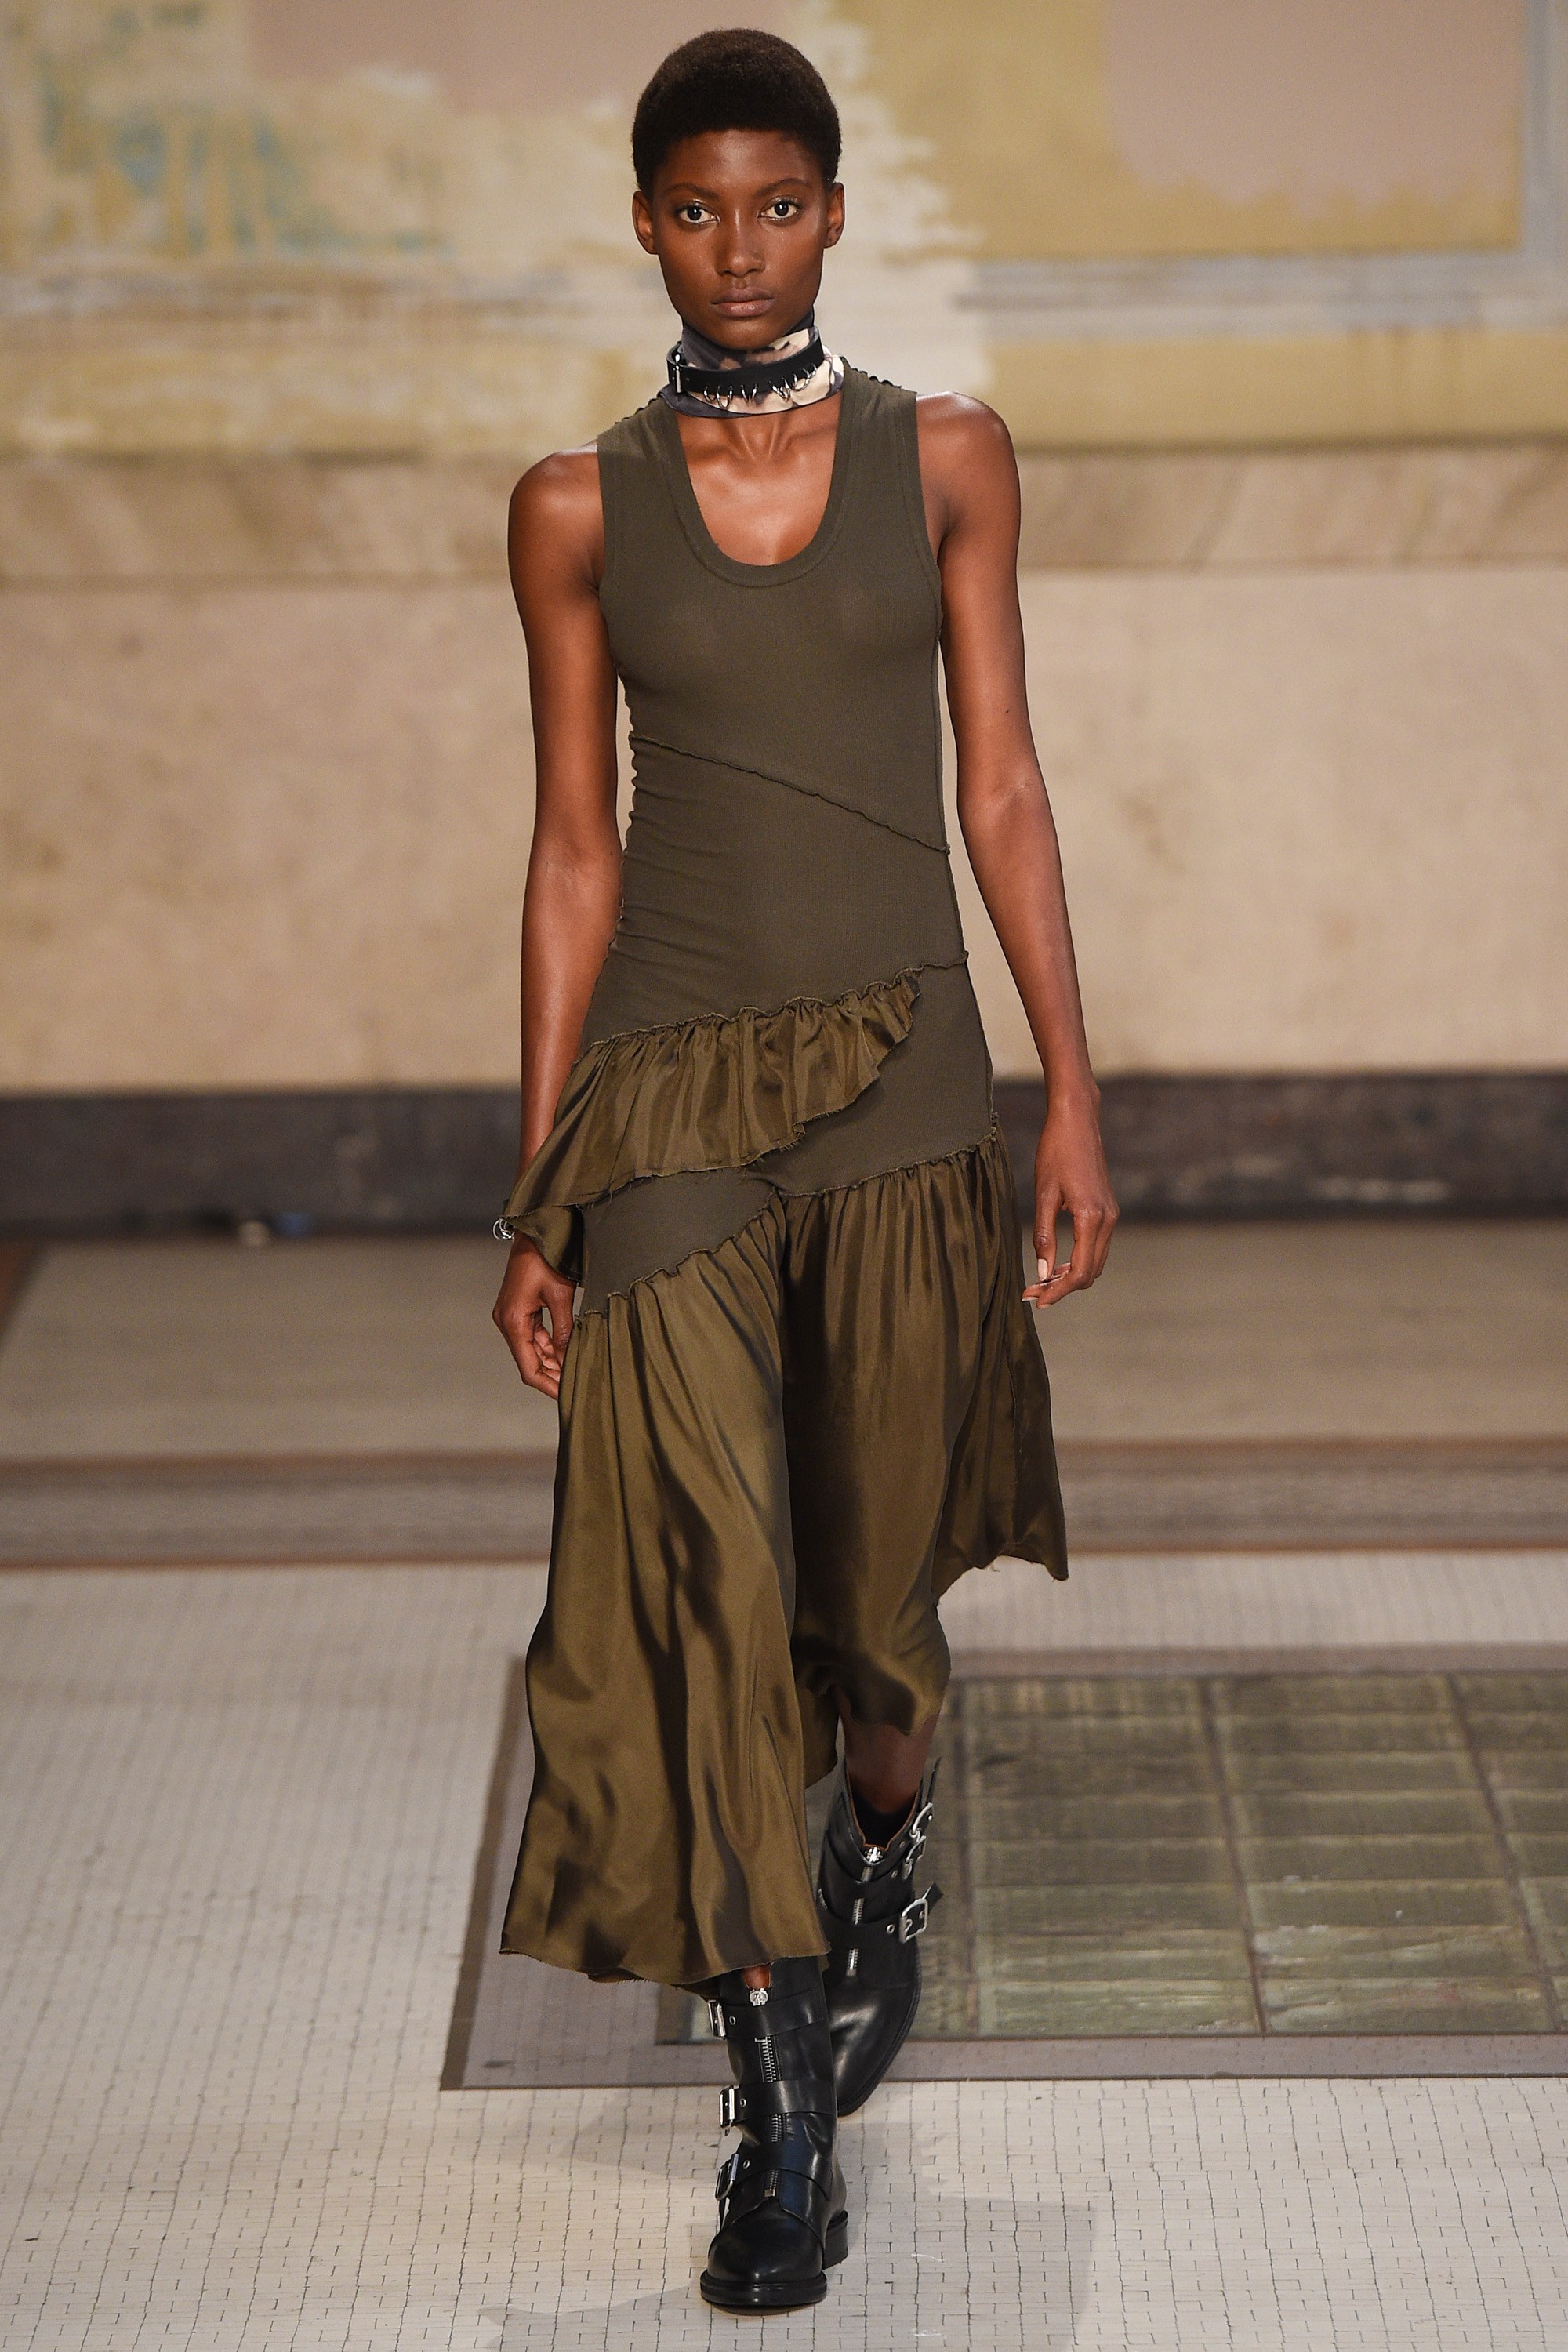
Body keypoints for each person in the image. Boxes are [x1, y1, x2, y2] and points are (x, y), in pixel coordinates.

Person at [492, 28, 1116, 2314]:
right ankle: (775, 2111)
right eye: (696, 210)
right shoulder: (576, 508)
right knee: (705, 1582)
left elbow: (1004, 788)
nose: (739, 249)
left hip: (902, 1085)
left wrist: (1071, 1090)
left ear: (835, 211)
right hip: (668, 1099)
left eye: (776, 204)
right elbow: (572, 855)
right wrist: (543, 1181)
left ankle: (886, 1846)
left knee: (872, 1607)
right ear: (644, 226)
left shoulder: (946, 459)